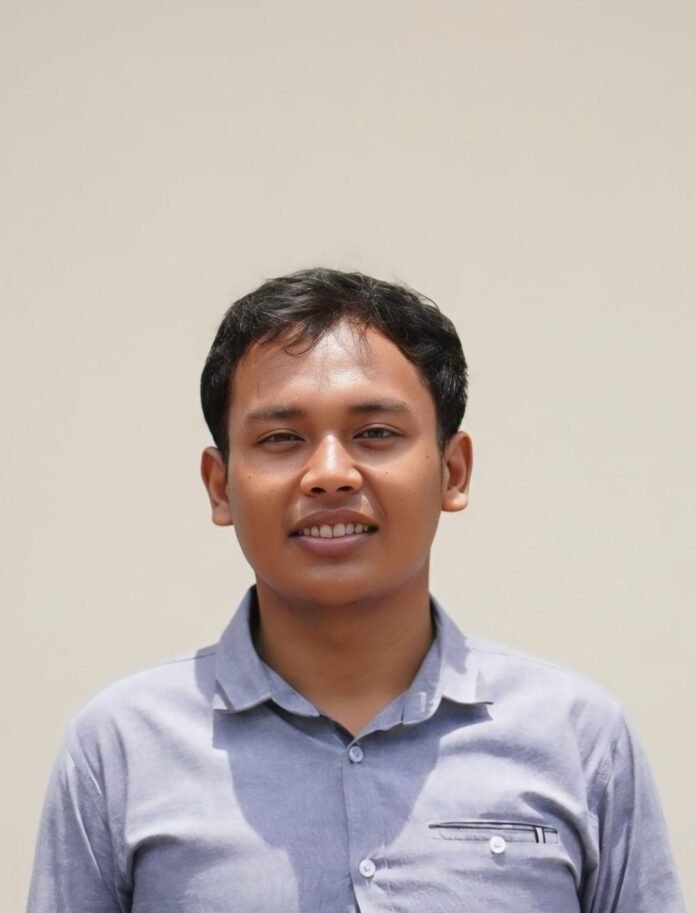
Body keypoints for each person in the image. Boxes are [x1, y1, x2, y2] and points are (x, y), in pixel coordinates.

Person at [26, 268, 685, 912]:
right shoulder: (121, 746)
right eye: (281, 438)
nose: (330, 473)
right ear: (220, 485)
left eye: (375, 433)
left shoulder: (578, 737)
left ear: (452, 471)